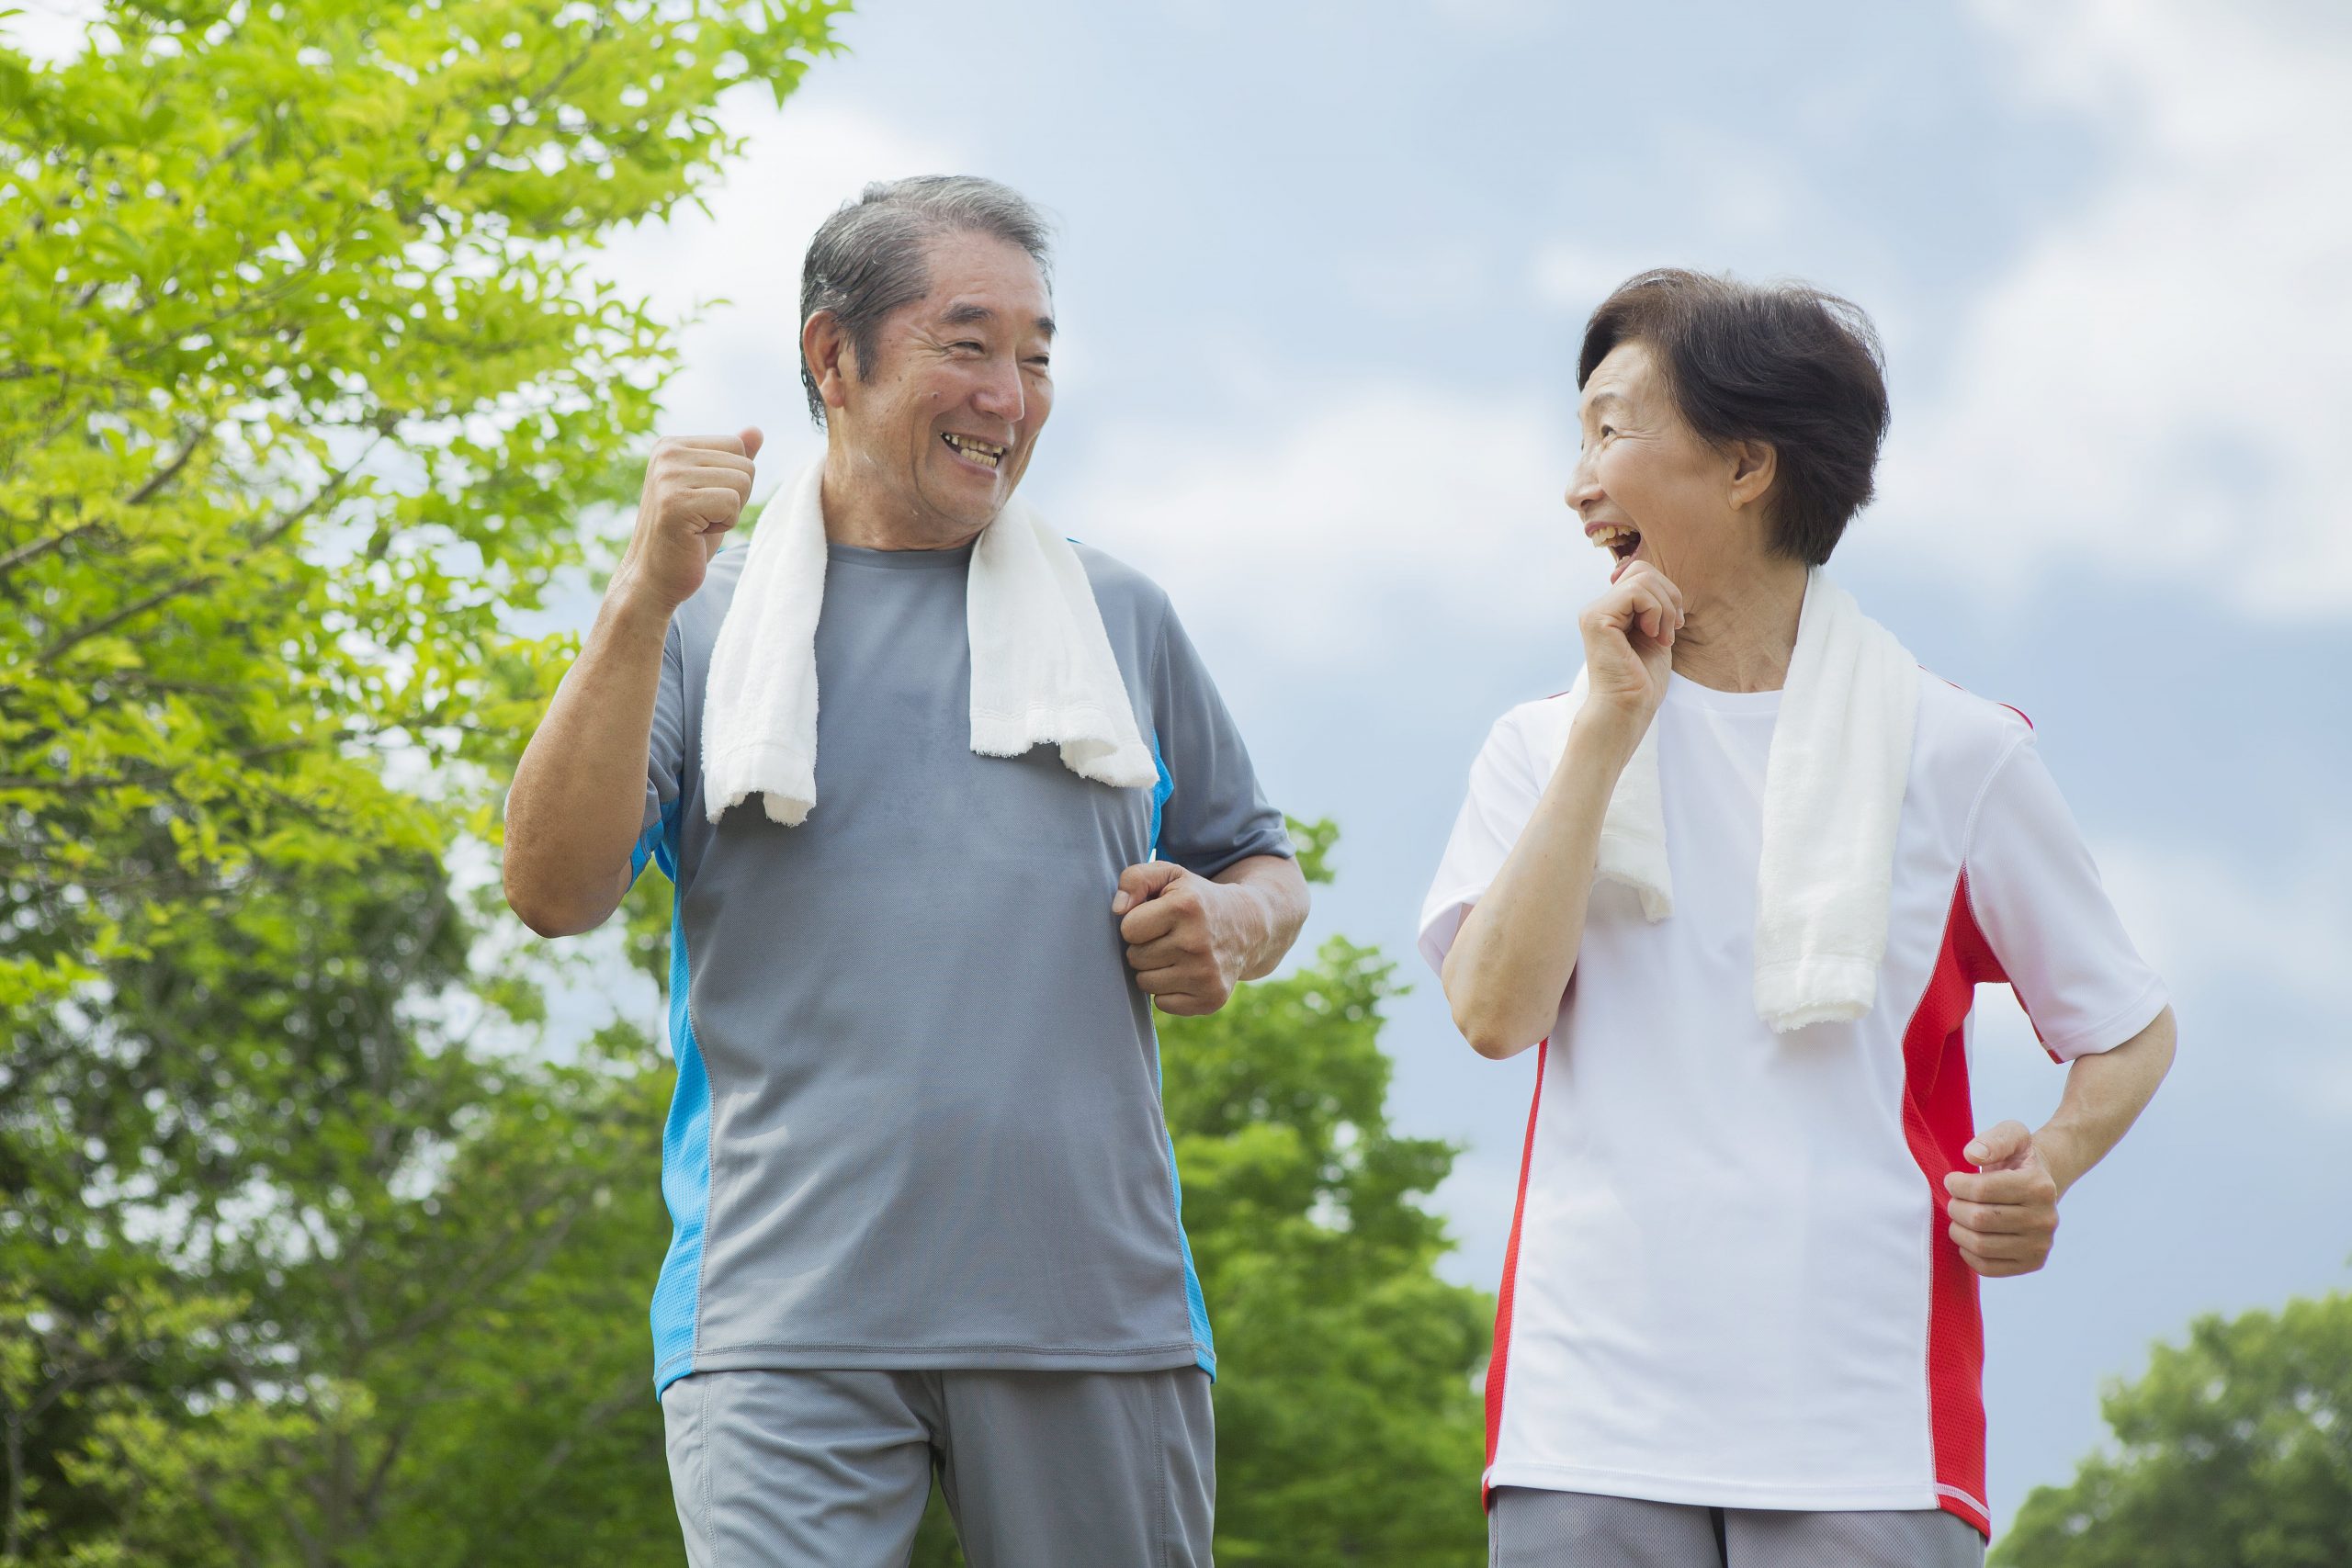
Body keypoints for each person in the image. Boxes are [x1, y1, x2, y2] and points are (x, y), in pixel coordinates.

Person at [502, 175, 1306, 1568]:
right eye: (968, 343)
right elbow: (553, 890)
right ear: (832, 356)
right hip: (777, 1318)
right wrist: (641, 595)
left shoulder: (1120, 617)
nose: (1012, 394)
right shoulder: (698, 628)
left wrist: (1230, 922)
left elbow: (1260, 864)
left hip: (1093, 1315)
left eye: (1038, 355)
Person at [1419, 269, 2174, 1568]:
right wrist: (1607, 736)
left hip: (1865, 1422)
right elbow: (1492, 1016)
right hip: (1587, 1413)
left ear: (1747, 464)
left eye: (1611, 430)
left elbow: (2127, 1027)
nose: (1576, 481)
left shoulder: (1958, 752)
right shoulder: (1541, 742)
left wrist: (2049, 1160)